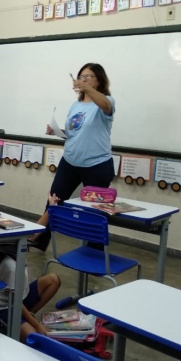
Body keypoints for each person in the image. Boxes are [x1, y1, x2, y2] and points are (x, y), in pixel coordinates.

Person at [31, 63, 116, 251]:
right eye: (81, 76)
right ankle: (39, 241)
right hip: (70, 162)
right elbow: (74, 133)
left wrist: (86, 88)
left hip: (97, 165)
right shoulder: (76, 105)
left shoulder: (106, 102)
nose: (83, 80)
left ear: (99, 80)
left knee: (95, 212)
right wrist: (57, 131)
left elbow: (106, 106)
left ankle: (94, 252)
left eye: (88, 76)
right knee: (54, 201)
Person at [0, 197, 61, 342]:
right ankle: (11, 323)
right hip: (6, 308)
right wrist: (36, 325)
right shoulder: (11, 266)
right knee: (33, 337)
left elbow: (36, 230)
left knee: (53, 280)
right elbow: (15, 303)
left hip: (21, 300)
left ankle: (28, 316)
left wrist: (51, 207)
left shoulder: (18, 247)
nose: (31, 239)